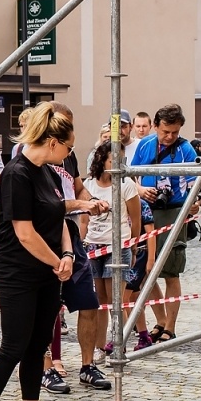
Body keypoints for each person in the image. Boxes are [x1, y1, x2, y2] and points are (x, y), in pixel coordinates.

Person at [0, 103, 89, 401]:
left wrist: (66, 254)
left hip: (47, 270)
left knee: (38, 344)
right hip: (17, 271)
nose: (69, 154)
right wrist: (57, 261)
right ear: (52, 141)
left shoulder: (50, 173)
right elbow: (24, 232)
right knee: (14, 345)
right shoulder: (17, 173)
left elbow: (57, 217)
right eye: (68, 147)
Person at [130, 104, 199, 343]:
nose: (170, 137)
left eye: (175, 132)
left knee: (171, 271)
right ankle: (159, 319)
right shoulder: (145, 145)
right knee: (146, 271)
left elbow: (194, 183)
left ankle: (170, 325)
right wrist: (140, 189)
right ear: (156, 126)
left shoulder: (186, 149)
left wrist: (193, 203)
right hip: (147, 211)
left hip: (174, 211)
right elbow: (130, 176)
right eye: (165, 132)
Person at [80, 141, 150, 365]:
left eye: (122, 160)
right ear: (102, 160)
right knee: (98, 299)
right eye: (114, 160)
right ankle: (99, 347)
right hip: (93, 245)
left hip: (118, 246)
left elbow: (136, 218)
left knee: (115, 300)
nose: (119, 164)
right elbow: (83, 217)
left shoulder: (126, 184)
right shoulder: (88, 184)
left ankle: (119, 345)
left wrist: (134, 244)